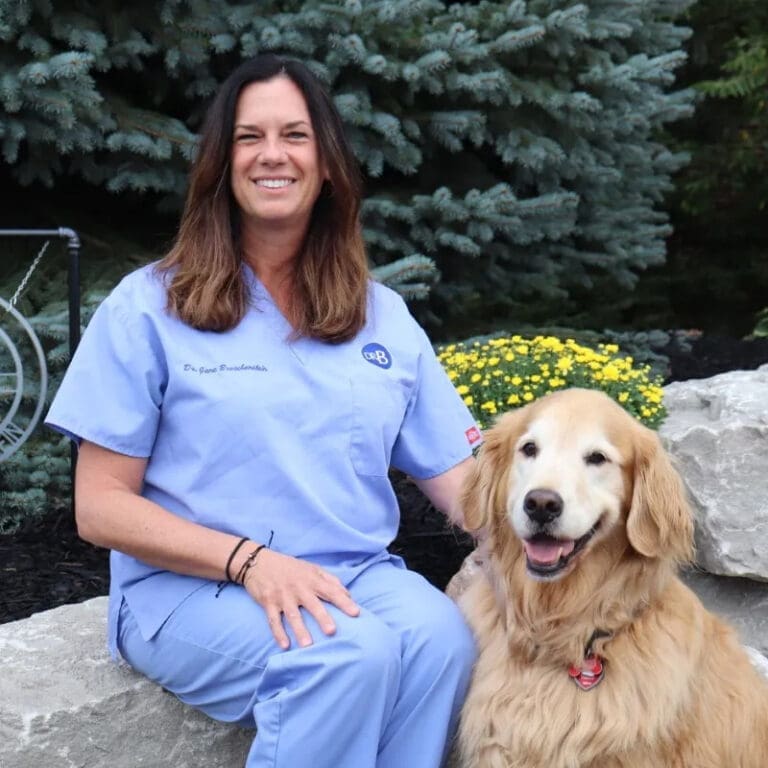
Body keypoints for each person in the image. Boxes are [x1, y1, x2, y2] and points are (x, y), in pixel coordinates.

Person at [46, 54, 482, 768]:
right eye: (249, 138)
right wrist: (250, 563)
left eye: (295, 135)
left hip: (350, 574)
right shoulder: (147, 308)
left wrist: (560, 540)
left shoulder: (384, 317)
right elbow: (99, 509)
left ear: (329, 164)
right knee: (346, 655)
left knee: (442, 637)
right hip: (187, 588)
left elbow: (464, 483)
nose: (272, 155)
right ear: (221, 165)